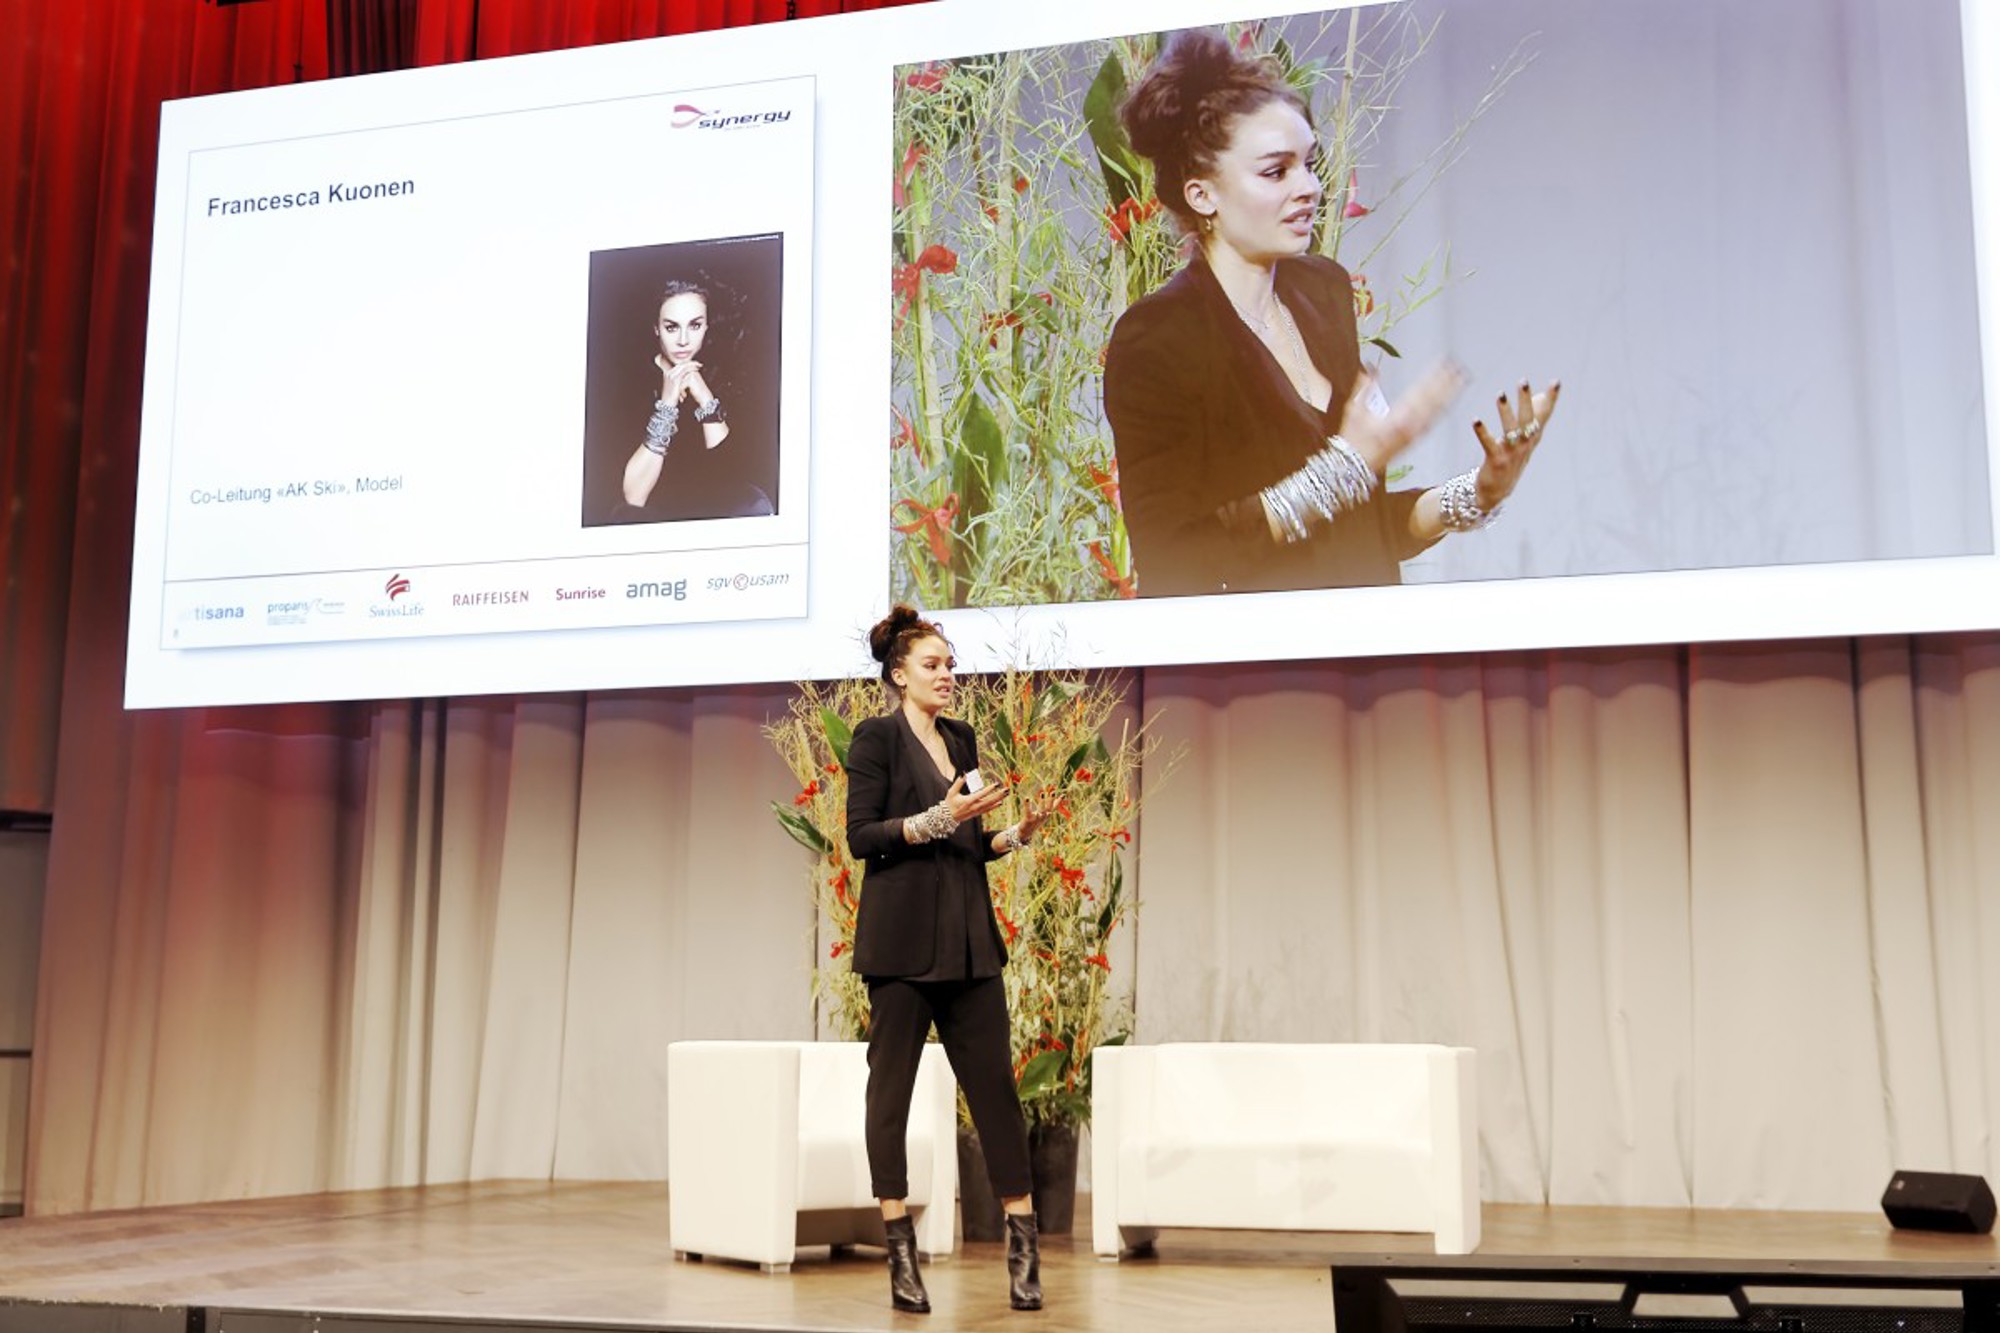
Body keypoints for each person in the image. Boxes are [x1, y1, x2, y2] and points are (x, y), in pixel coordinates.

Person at [1105, 28, 1560, 597]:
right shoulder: (1158, 337)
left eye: (1310, 165)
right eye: (1276, 171)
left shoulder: (1322, 292)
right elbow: (1178, 561)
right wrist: (1346, 467)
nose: (1310, 188)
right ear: (1202, 195)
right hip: (1258, 649)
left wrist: (1477, 492)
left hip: (1366, 635)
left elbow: (1358, 527)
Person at [844, 604, 1049, 1314]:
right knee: (889, 1095)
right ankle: (900, 1249)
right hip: (901, 950)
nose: (947, 675)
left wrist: (1014, 834)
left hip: (968, 945)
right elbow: (862, 836)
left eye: (950, 664)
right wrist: (937, 819)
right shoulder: (876, 739)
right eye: (932, 664)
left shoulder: (960, 738)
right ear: (899, 674)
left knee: (996, 1091)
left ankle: (1024, 1250)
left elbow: (971, 841)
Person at [618, 276, 773, 521]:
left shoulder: (724, 375)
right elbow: (634, 498)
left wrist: (705, 398)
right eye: (671, 327)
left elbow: (734, 481)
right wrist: (667, 405)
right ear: (656, 328)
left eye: (695, 325)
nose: (683, 340)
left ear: (707, 326)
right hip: (656, 517)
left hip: (711, 513)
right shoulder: (628, 382)